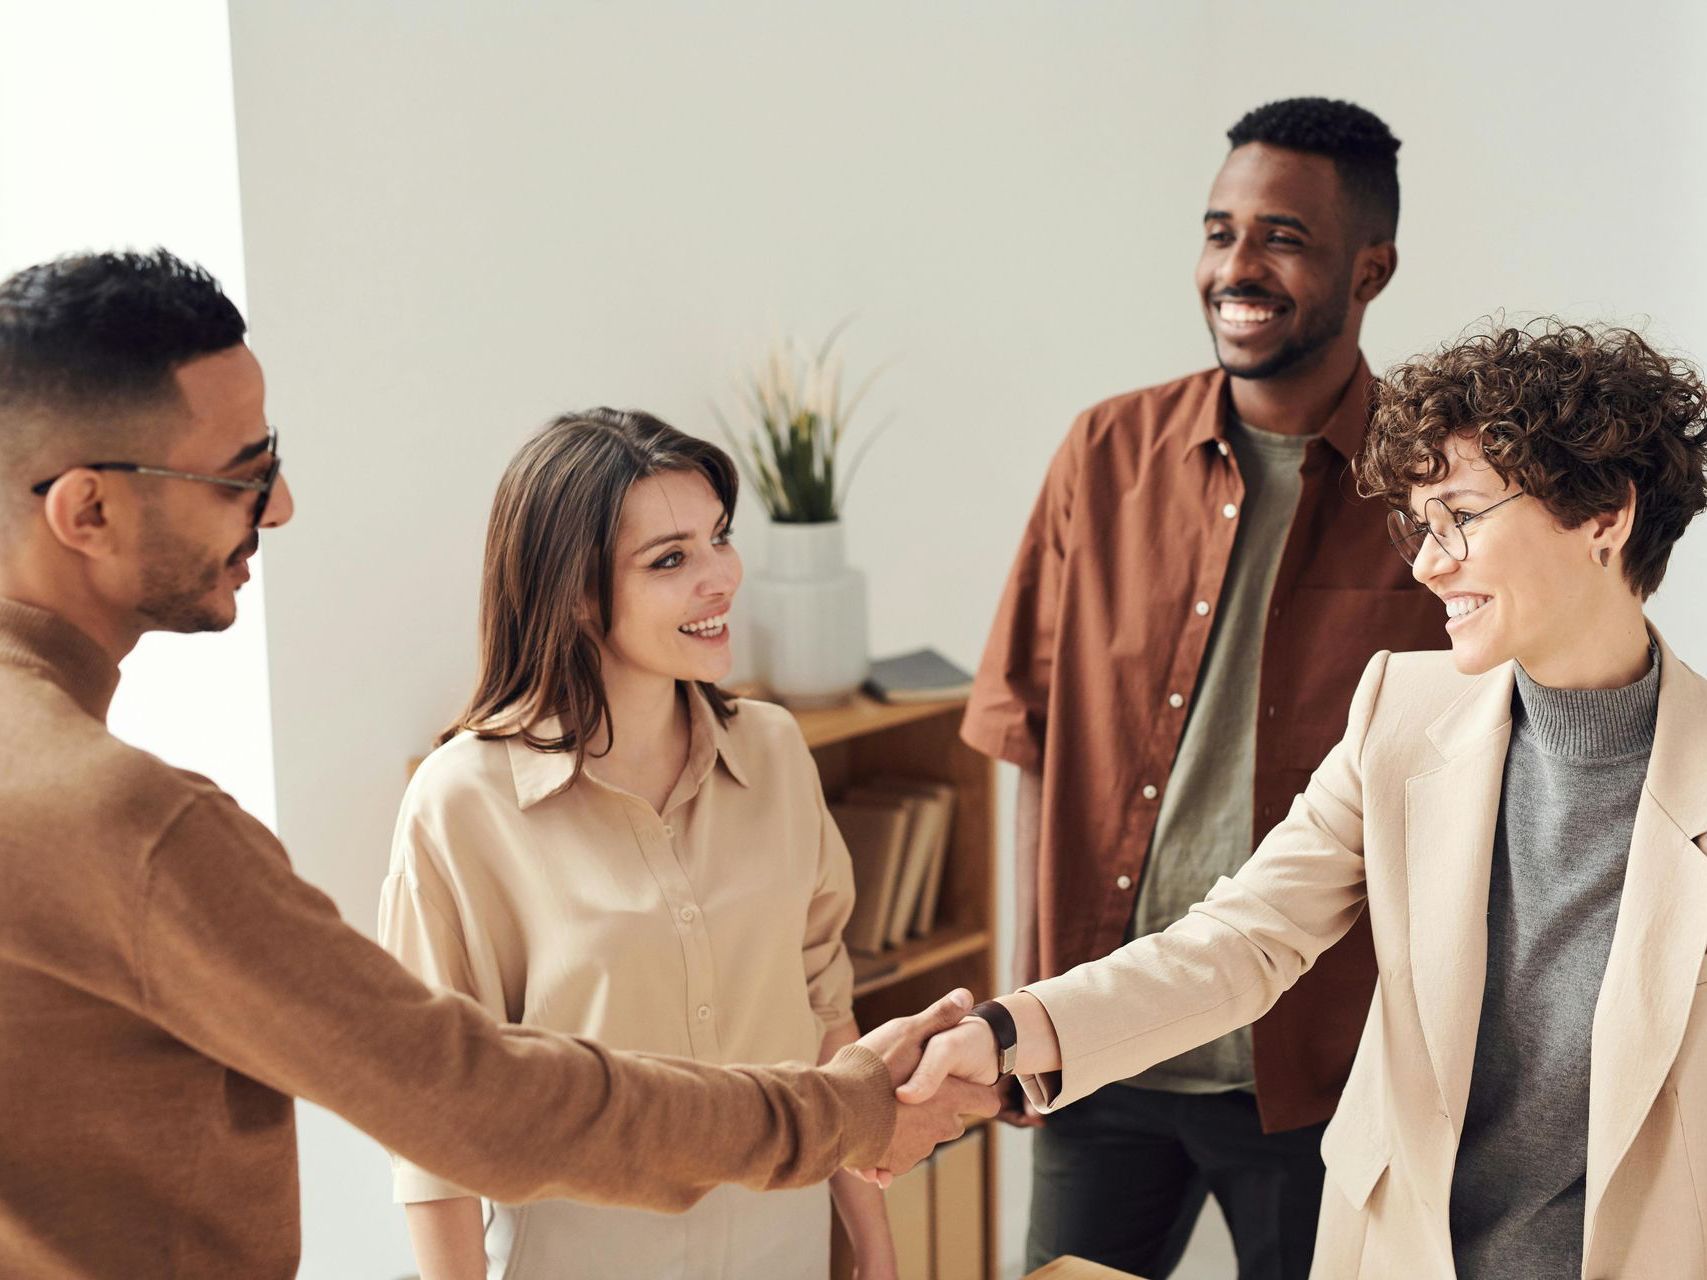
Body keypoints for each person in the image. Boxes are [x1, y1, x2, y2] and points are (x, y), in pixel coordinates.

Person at [0, 249, 996, 1280]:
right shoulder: (131, 821)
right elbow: (460, 1103)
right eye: (242, 474)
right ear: (86, 510)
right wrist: (847, 1109)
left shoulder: (773, 750)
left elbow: (812, 992)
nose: (282, 504)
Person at [904, 320, 1707, 1279]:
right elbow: (1242, 940)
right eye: (1420, 523)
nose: (1426, 563)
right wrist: (1003, 1033)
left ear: (1603, 518)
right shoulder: (1397, 715)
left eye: (1460, 515)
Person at [960, 97, 1443, 1278]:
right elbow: (1025, 738)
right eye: (1220, 229)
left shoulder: (1434, 486)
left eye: (1282, 236)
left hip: (1317, 1071)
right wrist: (1032, 1003)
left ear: (1369, 267)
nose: (1237, 266)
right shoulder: (1102, 455)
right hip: (1101, 1049)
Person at [381, 409, 897, 1279]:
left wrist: (874, 1250)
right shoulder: (463, 802)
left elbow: (825, 1019)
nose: (720, 578)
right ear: (576, 594)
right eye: (670, 560)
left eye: (718, 539)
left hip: (786, 1256)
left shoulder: (772, 753)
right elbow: (433, 1123)